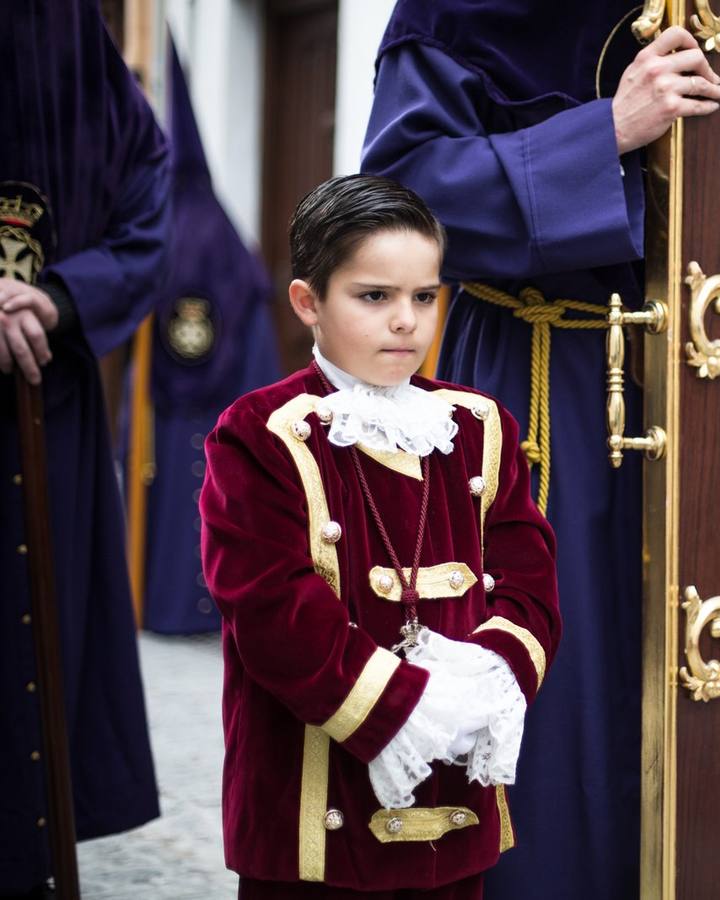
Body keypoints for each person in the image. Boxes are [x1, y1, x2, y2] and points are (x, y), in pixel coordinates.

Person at [361, 5, 720, 897]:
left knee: (698, 681)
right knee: (552, 688)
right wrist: (604, 131)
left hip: (703, 389)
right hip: (536, 386)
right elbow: (401, 200)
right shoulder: (452, 10)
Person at [199, 175, 561, 898]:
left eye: (423, 297)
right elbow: (271, 609)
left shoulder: (478, 426)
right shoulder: (260, 432)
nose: (407, 321)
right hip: (313, 799)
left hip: (452, 780)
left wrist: (479, 684)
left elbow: (531, 583)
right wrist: (404, 708)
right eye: (375, 297)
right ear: (309, 302)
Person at [0, 1, 167, 893]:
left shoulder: (97, 81)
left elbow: (147, 226)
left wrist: (54, 297)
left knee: (37, 656)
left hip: (45, 405)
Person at [137, 39, 280, 635]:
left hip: (178, 403)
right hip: (237, 378)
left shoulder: (169, 225)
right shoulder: (215, 223)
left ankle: (169, 605)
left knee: (178, 483)